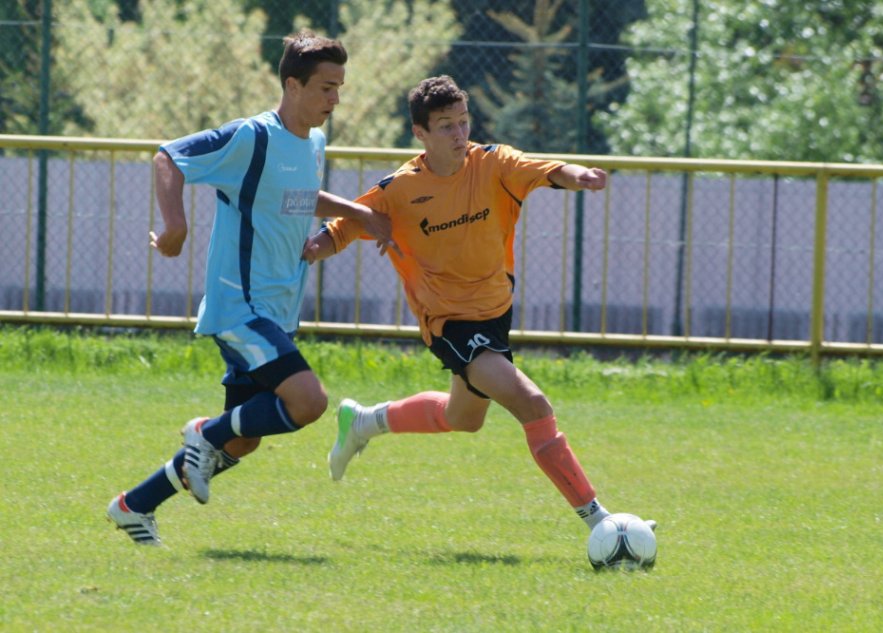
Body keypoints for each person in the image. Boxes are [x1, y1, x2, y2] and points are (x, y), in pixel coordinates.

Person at [303, 75, 654, 535]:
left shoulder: (494, 163)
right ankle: (601, 523)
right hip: (448, 322)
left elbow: (549, 169)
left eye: (463, 122)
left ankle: (365, 421)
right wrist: (308, 250)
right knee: (533, 404)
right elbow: (343, 229)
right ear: (420, 133)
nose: (459, 134)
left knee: (463, 418)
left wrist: (580, 176)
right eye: (446, 126)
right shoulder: (400, 189)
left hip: (494, 313)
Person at [107, 30, 393, 545]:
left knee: (243, 439)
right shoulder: (252, 137)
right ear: (293, 85)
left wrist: (357, 213)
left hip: (278, 309)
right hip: (240, 305)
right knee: (308, 402)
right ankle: (203, 433)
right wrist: (175, 224)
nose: (335, 99)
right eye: (326, 87)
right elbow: (169, 156)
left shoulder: (314, 142)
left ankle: (135, 505)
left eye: (339, 88)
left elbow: (298, 196)